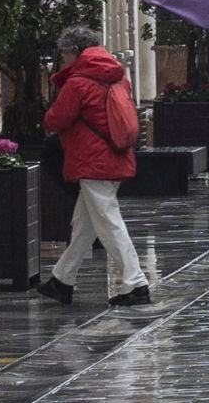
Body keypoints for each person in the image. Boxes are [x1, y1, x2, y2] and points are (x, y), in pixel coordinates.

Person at [38, 25, 149, 307]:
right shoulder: (117, 78)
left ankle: (136, 283)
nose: (62, 61)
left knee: (108, 221)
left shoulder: (78, 83)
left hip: (91, 161)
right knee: (84, 224)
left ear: (74, 52)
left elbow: (56, 119)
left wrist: (49, 114)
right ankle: (61, 280)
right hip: (115, 155)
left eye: (63, 56)